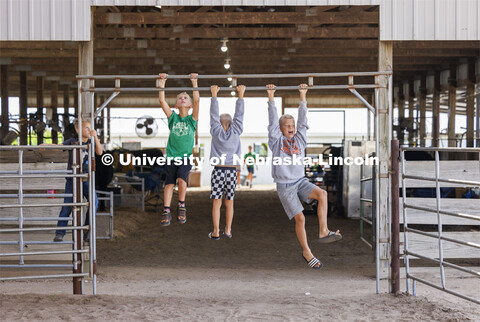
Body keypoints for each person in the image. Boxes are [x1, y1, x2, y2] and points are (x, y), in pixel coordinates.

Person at [266, 83, 342, 270]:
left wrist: (303, 96)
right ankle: (307, 252)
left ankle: (323, 230)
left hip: (300, 181)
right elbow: (272, 122)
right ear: (281, 129)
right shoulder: (276, 141)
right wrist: (271, 99)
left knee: (322, 194)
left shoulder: (300, 139)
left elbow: (303, 121)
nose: (291, 128)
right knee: (301, 219)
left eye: (292, 125)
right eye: (287, 126)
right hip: (285, 186)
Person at [158, 73, 199, 226]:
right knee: (169, 183)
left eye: (185, 98)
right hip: (170, 156)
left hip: (185, 157)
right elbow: (162, 100)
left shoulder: (192, 119)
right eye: (179, 98)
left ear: (190, 105)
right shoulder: (172, 117)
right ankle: (166, 209)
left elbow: (197, 99)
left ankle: (181, 205)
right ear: (176, 105)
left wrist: (194, 82)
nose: (182, 98)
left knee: (182, 180)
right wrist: (162, 83)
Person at [52, 118, 102, 242]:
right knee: (68, 205)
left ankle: (88, 230)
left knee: (94, 203)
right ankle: (60, 233)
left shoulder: (91, 142)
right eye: (86, 128)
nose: (89, 130)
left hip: (86, 178)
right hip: (72, 179)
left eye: (90, 127)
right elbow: (58, 147)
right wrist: (45, 146)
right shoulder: (72, 141)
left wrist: (95, 137)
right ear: (78, 129)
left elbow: (100, 152)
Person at [208, 84, 245, 240]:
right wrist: (240, 95)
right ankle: (228, 230)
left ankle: (216, 231)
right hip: (231, 171)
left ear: (219, 123)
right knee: (229, 202)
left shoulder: (216, 131)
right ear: (231, 124)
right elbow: (240, 115)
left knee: (217, 203)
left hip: (218, 170)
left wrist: (214, 95)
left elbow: (213, 114)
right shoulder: (236, 131)